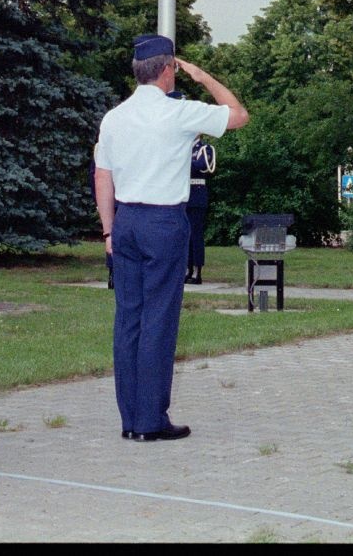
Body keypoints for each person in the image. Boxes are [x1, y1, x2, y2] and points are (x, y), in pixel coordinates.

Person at [93, 34, 248, 442]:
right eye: (176, 69)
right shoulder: (178, 114)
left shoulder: (114, 118)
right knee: (158, 320)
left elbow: (102, 177)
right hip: (163, 223)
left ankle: (130, 420)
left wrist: (108, 230)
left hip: (125, 221)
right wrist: (202, 75)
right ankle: (150, 420)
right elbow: (237, 114)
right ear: (168, 69)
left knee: (128, 320)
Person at [185, 136, 215, 285]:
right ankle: (187, 268)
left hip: (196, 195)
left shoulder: (204, 149)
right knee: (185, 235)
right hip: (183, 195)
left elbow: (202, 165)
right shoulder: (183, 147)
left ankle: (197, 271)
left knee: (196, 235)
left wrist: (183, 162)